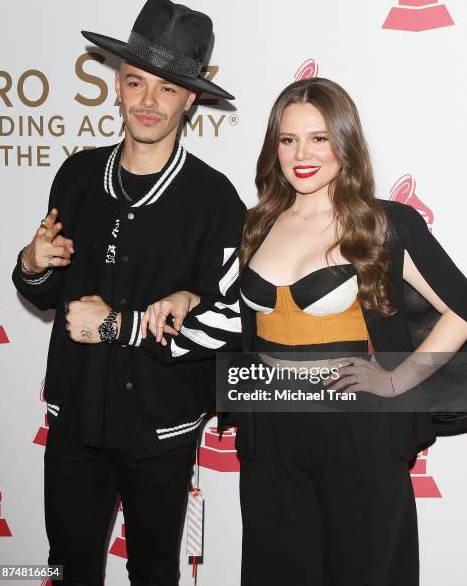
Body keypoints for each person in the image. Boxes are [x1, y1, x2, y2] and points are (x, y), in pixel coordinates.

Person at [145, 77, 467, 585]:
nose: (302, 153)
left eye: (319, 138)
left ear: (345, 142)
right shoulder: (255, 224)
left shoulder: (385, 224)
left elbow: (461, 312)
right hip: (270, 426)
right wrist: (188, 298)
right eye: (288, 139)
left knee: (366, 572)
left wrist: (394, 381)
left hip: (357, 429)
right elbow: (234, 309)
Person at [12, 0, 245, 586]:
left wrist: (123, 320)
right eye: (137, 82)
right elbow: (44, 294)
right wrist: (32, 262)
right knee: (68, 569)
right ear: (117, 83)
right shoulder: (77, 175)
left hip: (161, 428)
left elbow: (228, 323)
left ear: (190, 99)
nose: (148, 101)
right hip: (76, 422)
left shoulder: (215, 201)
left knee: (152, 571)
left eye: (166, 89)